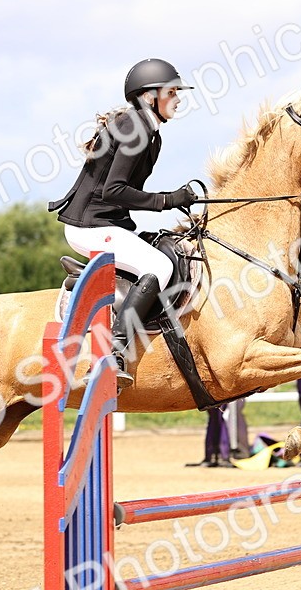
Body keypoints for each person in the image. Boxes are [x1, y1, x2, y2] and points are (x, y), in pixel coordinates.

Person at [49, 58, 198, 388]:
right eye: (171, 92)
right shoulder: (135, 128)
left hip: (108, 224)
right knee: (159, 266)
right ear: (149, 96)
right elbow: (114, 190)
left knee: (166, 251)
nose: (178, 99)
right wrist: (167, 200)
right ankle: (113, 353)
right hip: (90, 227)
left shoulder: (150, 133)